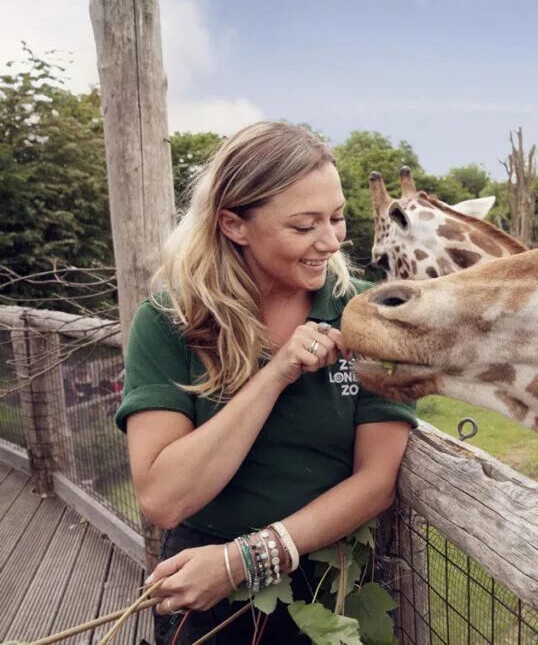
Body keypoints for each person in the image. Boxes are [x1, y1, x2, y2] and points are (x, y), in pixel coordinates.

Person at [114, 122, 416, 642]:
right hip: (200, 583)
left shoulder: (369, 315)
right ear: (234, 225)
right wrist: (275, 374)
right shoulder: (169, 320)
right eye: (303, 226)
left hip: (332, 584)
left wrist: (245, 561)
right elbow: (164, 498)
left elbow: (376, 480)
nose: (330, 241)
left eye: (338, 218)